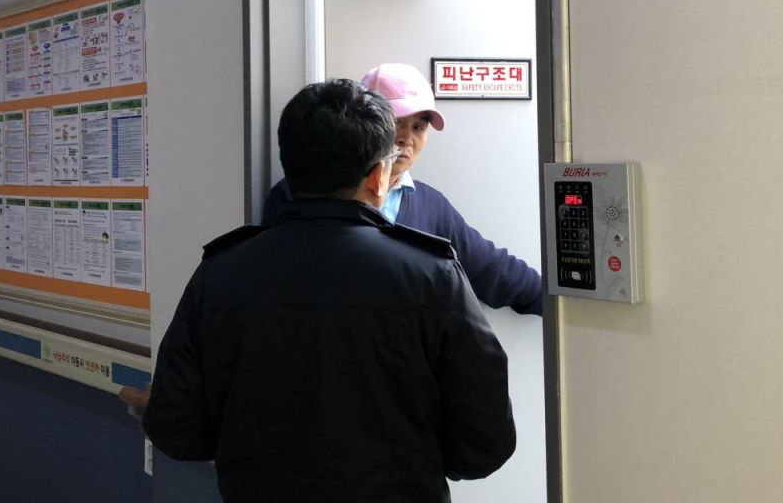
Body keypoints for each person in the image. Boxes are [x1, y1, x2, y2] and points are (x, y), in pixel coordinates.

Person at [142, 79, 516, 503]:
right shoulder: (433, 275)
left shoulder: (219, 273)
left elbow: (176, 428)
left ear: (291, 168)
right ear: (378, 177)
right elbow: (486, 442)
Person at [263, 62, 543, 315]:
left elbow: (491, 269)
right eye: (397, 123)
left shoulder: (431, 206)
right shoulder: (298, 192)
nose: (407, 139)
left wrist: (557, 295)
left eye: (419, 127)